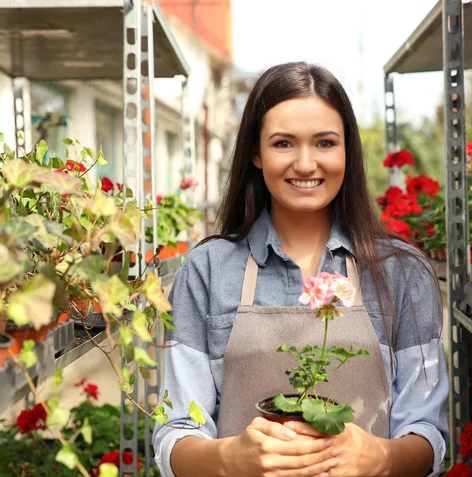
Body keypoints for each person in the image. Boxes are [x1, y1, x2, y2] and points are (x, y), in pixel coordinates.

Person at [153, 62, 449, 477]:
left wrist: (383, 459)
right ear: (256, 153)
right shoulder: (207, 270)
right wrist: (227, 459)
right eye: (283, 144)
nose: (306, 164)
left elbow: (428, 433)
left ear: (348, 150)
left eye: (325, 143)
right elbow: (175, 431)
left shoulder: (401, 272)